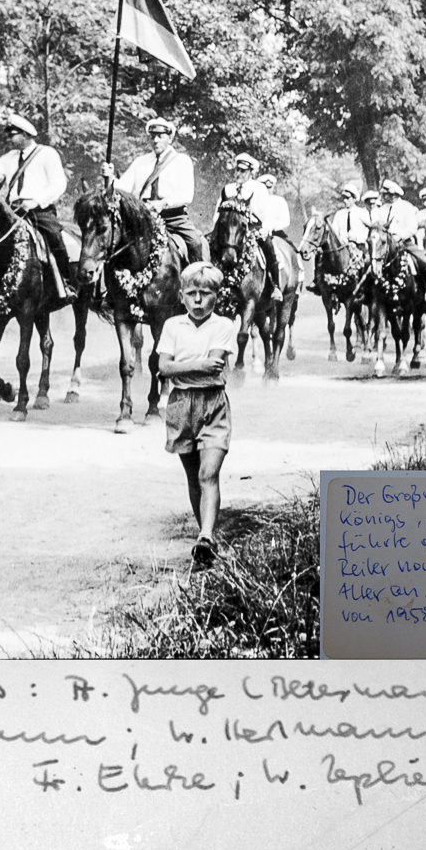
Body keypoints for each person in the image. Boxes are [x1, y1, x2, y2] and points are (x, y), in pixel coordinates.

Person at [156, 262, 238, 571]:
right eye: (192, 294)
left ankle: (205, 536)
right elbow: (164, 368)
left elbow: (214, 367)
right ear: (181, 296)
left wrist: (183, 366)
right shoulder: (173, 326)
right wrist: (198, 366)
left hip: (212, 403)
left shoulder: (223, 326)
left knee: (208, 473)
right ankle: (206, 537)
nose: (199, 300)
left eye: (206, 293)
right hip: (180, 406)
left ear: (217, 295)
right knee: (193, 477)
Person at [0, 111, 74, 296]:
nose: (9, 138)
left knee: (54, 236)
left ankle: (66, 283)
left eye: (12, 134)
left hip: (40, 211)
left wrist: (36, 201)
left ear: (25, 135)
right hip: (13, 211)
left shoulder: (47, 154)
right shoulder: (8, 159)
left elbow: (59, 184)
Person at [102, 116, 201, 256]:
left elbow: (186, 194)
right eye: (153, 137)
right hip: (142, 218)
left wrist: (164, 203)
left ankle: (199, 277)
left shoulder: (182, 161)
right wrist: (110, 178)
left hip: (173, 218)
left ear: (170, 138)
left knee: (195, 243)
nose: (155, 140)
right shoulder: (140, 162)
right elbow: (123, 188)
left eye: (160, 136)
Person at [231, 153, 283, 302]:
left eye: (243, 171)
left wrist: (265, 229)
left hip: (253, 229)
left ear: (251, 172)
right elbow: (218, 213)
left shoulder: (259, 189)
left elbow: (268, 213)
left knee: (269, 249)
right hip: (232, 230)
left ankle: (275, 286)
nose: (239, 174)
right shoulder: (229, 189)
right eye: (237, 170)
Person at [307, 182, 368, 295]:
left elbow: (369, 230)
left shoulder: (361, 213)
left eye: (348, 198)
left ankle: (365, 286)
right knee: (320, 256)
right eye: (344, 198)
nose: (345, 201)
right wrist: (341, 239)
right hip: (341, 246)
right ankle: (317, 281)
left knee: (366, 260)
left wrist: (358, 238)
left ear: (354, 199)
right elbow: (334, 233)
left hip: (358, 245)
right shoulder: (339, 214)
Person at [374, 178, 426, 276]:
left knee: (423, 261)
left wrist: (400, 236)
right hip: (385, 244)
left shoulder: (406, 207)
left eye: (385, 194)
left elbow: (412, 227)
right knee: (372, 265)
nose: (383, 196)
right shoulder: (381, 210)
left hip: (404, 243)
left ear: (393, 194)